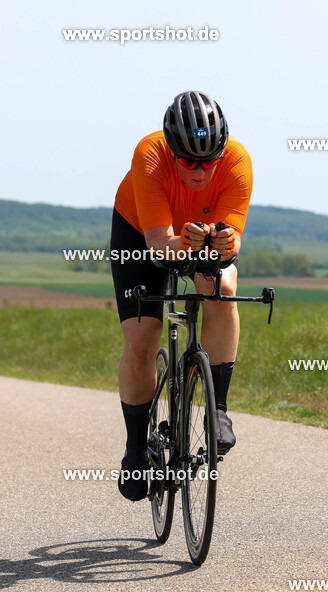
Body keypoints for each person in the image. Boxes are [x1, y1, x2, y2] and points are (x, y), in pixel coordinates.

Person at [110, 91, 253, 502]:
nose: (200, 170)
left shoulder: (238, 161)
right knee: (140, 343)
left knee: (223, 288)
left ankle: (218, 410)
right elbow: (157, 244)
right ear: (172, 152)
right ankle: (136, 449)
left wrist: (223, 245)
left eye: (209, 161)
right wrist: (185, 247)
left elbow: (234, 241)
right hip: (141, 235)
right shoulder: (149, 154)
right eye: (189, 161)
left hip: (198, 237)